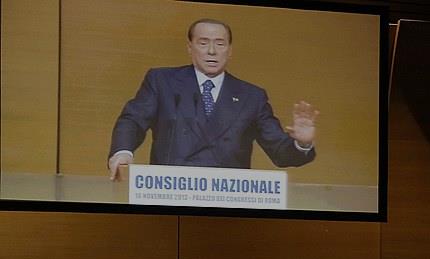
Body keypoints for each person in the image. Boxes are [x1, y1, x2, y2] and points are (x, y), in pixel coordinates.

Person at [108, 18, 317, 180]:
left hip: (228, 200)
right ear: (190, 47)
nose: (212, 51)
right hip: (170, 192)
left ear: (230, 50)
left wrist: (302, 143)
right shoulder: (162, 81)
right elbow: (133, 120)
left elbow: (279, 151)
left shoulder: (252, 96)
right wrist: (123, 152)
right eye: (203, 43)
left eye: (220, 44)